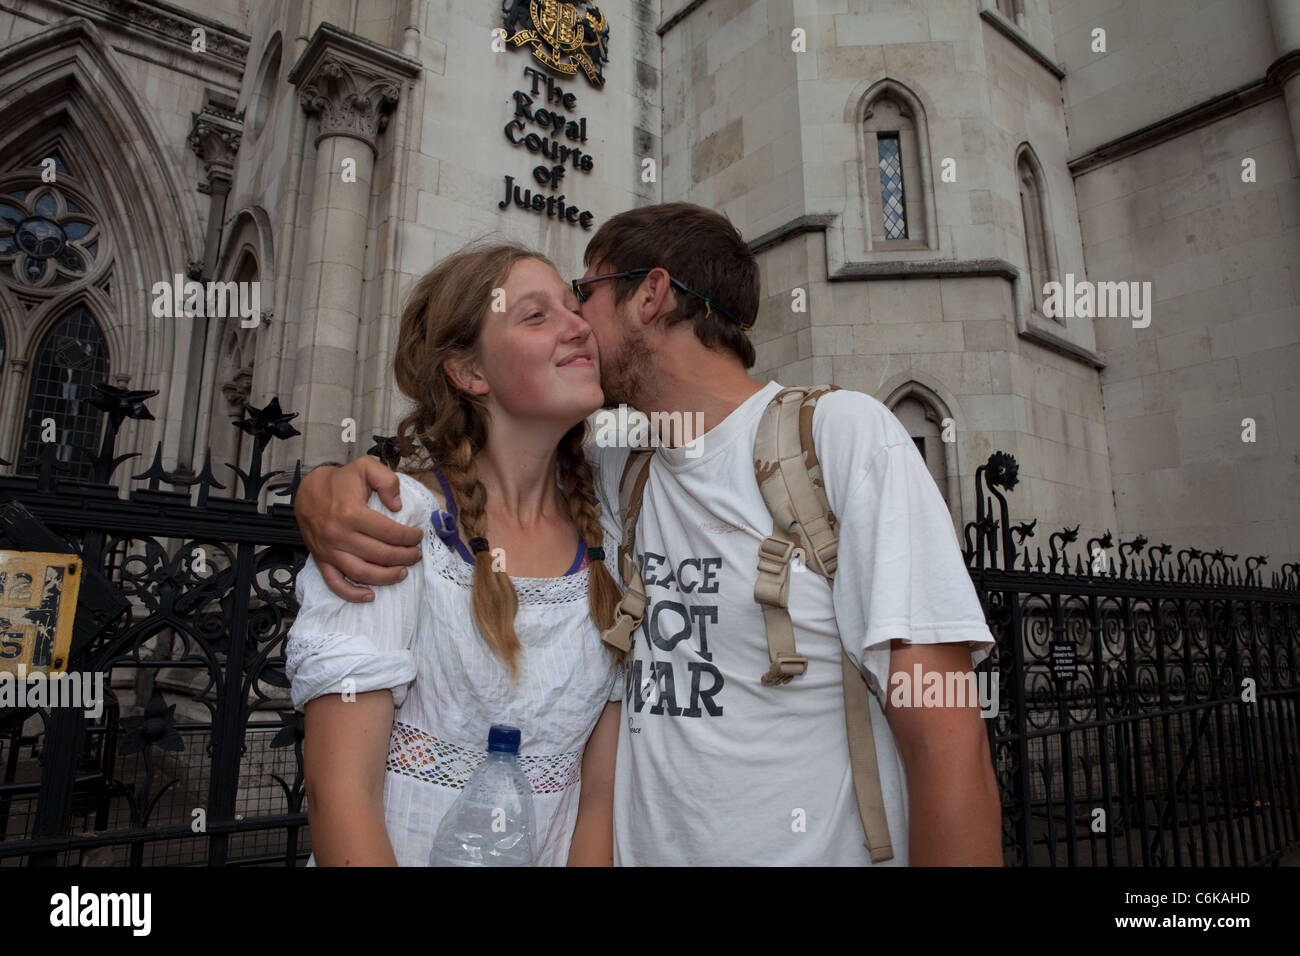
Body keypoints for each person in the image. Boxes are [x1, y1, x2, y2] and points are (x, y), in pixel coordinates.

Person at [295, 203, 1004, 866]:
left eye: (583, 295)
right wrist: (325, 487)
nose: (576, 323)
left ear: (650, 296)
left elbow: (947, 742)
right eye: (547, 312)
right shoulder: (619, 480)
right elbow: (477, 477)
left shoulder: (838, 438)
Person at [285, 241, 624, 866]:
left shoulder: (610, 536)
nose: (580, 325)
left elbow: (598, 796)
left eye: (573, 306)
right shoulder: (397, 526)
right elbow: (343, 796)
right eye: (535, 315)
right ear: (469, 373)